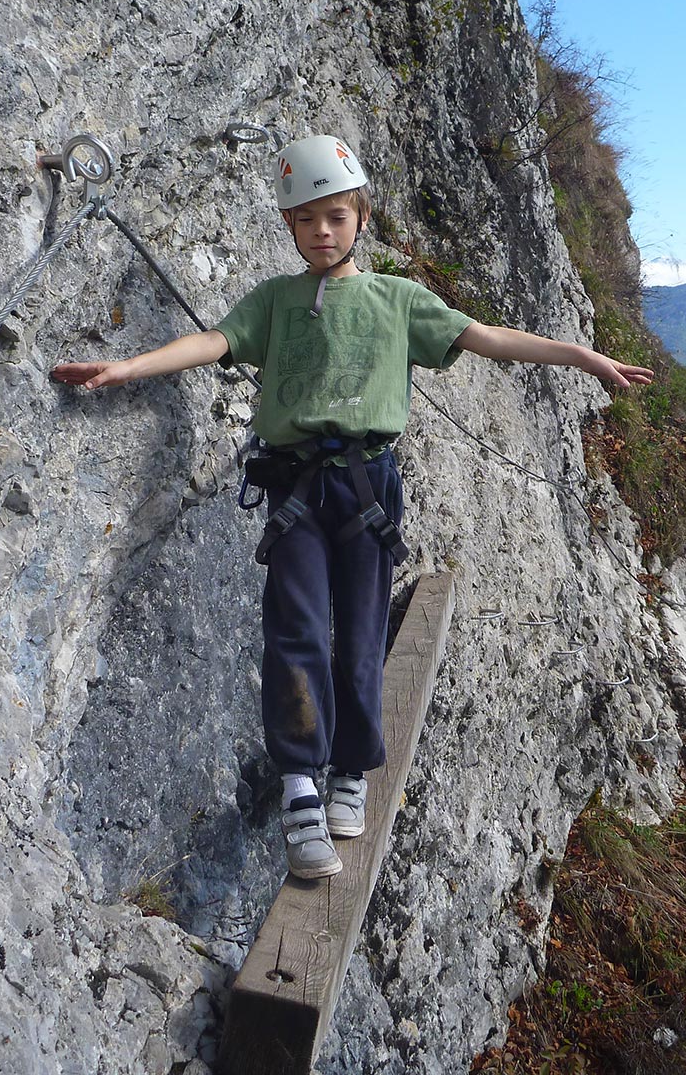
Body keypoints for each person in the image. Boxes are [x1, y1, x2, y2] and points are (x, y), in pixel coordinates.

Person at [51, 134, 653, 880]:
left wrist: (584, 355)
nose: (323, 232)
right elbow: (214, 342)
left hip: (367, 485)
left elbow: (488, 337)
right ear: (292, 229)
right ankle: (302, 787)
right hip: (296, 487)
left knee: (362, 635)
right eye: (307, 221)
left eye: (335, 216)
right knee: (295, 628)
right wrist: (127, 369)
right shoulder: (273, 301)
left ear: (361, 217)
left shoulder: (398, 300)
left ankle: (350, 771)